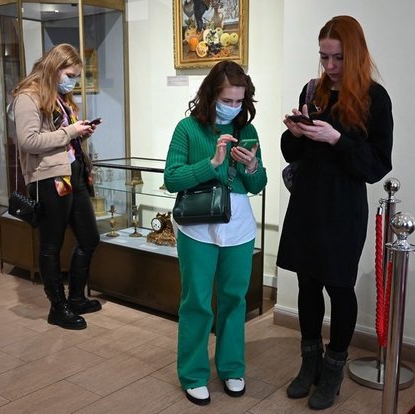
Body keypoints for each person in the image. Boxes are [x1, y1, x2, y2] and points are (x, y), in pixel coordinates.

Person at [277, 15, 393, 410]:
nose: (329, 66)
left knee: (339, 287)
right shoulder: (314, 91)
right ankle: (309, 363)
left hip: (343, 207)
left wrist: (337, 138)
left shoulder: (375, 98)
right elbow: (293, 153)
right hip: (307, 202)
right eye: (324, 56)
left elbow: (377, 165)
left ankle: (332, 370)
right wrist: (294, 133)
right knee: (307, 284)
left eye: (338, 58)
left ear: (355, 54)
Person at [164, 60, 267, 406]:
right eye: (227, 100)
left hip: (239, 228)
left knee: (234, 299)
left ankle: (231, 367)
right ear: (211, 96)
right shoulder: (187, 129)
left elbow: (258, 184)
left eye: (239, 101)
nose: (233, 107)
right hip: (198, 226)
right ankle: (193, 373)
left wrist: (251, 166)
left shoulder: (247, 130)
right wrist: (211, 163)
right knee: (196, 301)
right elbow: (171, 178)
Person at [12, 43, 102, 330]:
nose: (72, 81)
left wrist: (80, 132)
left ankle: (76, 298)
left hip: (73, 173)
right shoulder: (28, 96)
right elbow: (28, 141)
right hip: (49, 178)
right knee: (51, 244)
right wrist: (69, 132)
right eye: (70, 75)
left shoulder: (60, 97)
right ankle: (58, 308)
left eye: (75, 76)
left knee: (89, 238)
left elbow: (62, 138)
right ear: (54, 68)